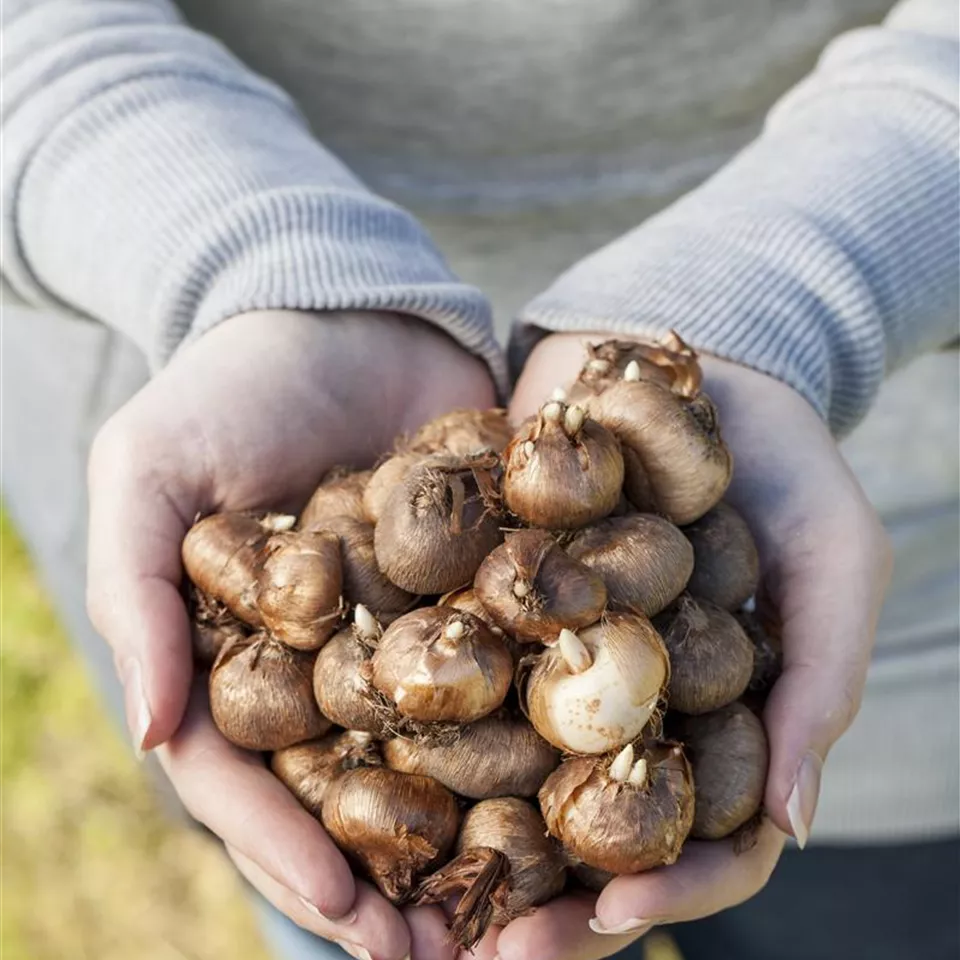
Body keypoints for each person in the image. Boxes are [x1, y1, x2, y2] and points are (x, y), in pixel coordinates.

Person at [2, 0, 957, 958]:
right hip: (184, 335)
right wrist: (248, 269)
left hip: (909, 622)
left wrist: (799, 291)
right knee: (336, 908)